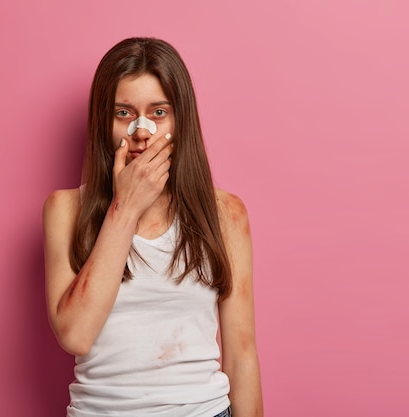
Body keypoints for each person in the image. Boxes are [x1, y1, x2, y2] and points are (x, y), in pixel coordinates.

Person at [43, 37, 263, 417]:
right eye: (124, 114)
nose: (141, 132)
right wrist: (125, 208)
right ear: (103, 123)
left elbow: (241, 353)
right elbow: (75, 334)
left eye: (158, 113)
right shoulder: (65, 210)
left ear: (181, 119)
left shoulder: (225, 213)